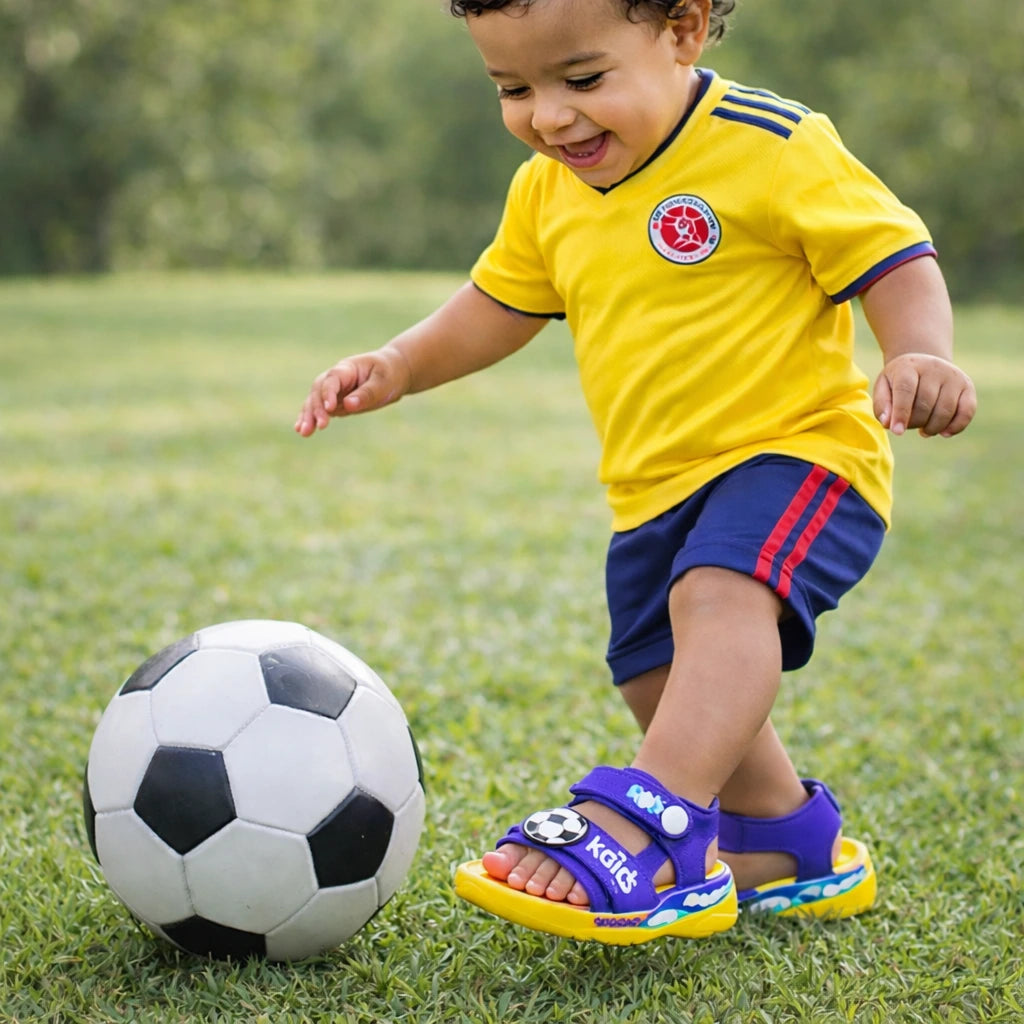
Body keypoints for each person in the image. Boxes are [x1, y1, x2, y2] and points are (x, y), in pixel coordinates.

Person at [295, 0, 976, 944]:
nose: (550, 117)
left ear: (683, 31)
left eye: (582, 79)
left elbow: (892, 256)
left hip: (801, 452)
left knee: (719, 596)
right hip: (653, 487)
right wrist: (400, 364)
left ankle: (650, 818)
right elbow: (499, 303)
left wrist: (920, 353)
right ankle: (783, 839)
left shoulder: (773, 143)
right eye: (513, 89)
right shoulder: (546, 190)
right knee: (652, 668)